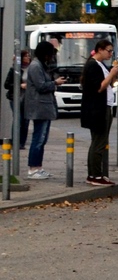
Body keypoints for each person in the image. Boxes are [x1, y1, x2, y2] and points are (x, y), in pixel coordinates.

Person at [23, 41, 66, 180]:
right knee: (39, 138)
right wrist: (55, 83)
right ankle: (33, 168)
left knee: (42, 138)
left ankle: (38, 167)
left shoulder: (41, 65)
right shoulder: (36, 66)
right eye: (50, 55)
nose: (51, 58)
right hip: (39, 107)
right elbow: (41, 86)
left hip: (44, 107)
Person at [80, 39, 118, 186]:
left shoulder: (100, 65)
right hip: (98, 109)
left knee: (100, 142)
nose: (110, 54)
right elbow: (99, 87)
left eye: (111, 51)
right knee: (99, 143)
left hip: (104, 106)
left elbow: (109, 83)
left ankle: (96, 174)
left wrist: (114, 74)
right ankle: (95, 176)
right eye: (108, 50)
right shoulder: (93, 65)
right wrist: (111, 74)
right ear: (100, 50)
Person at [5, 49, 30, 148]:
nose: (28, 58)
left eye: (28, 56)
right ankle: (15, 142)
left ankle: (22, 143)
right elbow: (7, 85)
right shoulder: (14, 69)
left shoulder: (31, 68)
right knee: (18, 120)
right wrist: (20, 85)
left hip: (28, 98)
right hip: (16, 98)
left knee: (26, 121)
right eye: (26, 56)